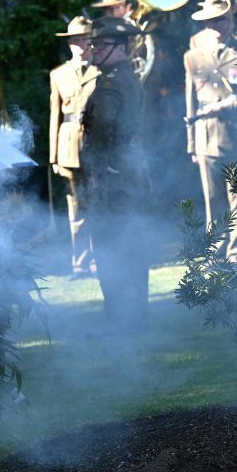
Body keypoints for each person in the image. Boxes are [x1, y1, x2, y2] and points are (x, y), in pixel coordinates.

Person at [82, 18, 151, 328]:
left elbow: (106, 126)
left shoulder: (111, 83)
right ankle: (133, 317)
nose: (93, 50)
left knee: (112, 248)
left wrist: (104, 165)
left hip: (113, 181)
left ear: (120, 49)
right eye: (94, 44)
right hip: (129, 176)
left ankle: (120, 321)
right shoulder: (127, 78)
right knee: (132, 247)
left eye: (101, 45)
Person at [184, 0, 237, 264]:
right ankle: (217, 254)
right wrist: (191, 143)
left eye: (220, 21)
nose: (214, 27)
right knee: (213, 202)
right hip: (206, 136)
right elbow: (190, 102)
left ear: (229, 21)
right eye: (209, 22)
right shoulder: (192, 57)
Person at [48, 16, 98, 276]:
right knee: (75, 209)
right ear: (69, 43)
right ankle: (80, 262)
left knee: (97, 204)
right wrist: (53, 157)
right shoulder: (58, 74)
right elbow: (54, 115)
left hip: (94, 144)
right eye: (75, 39)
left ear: (91, 40)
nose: (80, 43)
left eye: (84, 38)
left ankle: (98, 260)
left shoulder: (100, 70)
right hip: (68, 147)